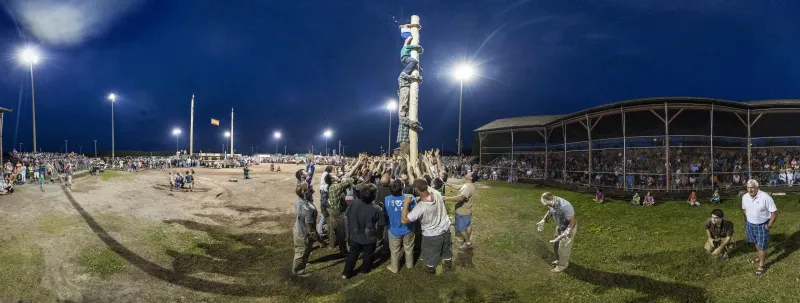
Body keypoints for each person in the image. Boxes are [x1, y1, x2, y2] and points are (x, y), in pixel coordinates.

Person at [401, 179, 452, 274]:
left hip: (432, 234)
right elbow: (424, 189)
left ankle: (430, 268)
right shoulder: (436, 192)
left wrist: (406, 203)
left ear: (416, 189)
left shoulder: (421, 207)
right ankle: (448, 262)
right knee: (446, 248)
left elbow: (404, 220)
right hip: (445, 228)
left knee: (430, 253)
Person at [342, 183, 386, 279]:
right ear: (374, 196)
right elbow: (381, 224)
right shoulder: (377, 209)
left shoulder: (353, 203)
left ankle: (346, 273)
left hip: (354, 235)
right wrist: (379, 236)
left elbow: (347, 216)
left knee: (352, 254)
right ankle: (364, 270)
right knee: (368, 255)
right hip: (369, 238)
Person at [742, 179, 777, 276]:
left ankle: (761, 265)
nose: (750, 190)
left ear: (757, 187)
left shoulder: (765, 197)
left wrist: (769, 225)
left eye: (752, 187)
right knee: (756, 242)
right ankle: (760, 256)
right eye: (748, 188)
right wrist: (746, 221)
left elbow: (774, 213)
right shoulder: (745, 197)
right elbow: (744, 209)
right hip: (750, 224)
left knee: (762, 245)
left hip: (762, 225)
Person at [537, 192, 577, 273]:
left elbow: (572, 221)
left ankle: (562, 265)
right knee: (556, 244)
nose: (547, 206)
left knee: (563, 247)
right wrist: (543, 220)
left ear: (552, 199)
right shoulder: (551, 203)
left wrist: (565, 234)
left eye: (548, 204)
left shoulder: (565, 206)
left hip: (569, 227)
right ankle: (558, 260)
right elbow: (550, 211)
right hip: (560, 225)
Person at [292, 183, 326, 276]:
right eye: (310, 189)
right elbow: (310, 230)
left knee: (300, 252)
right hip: (304, 235)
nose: (312, 190)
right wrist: (320, 241)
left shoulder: (298, 201)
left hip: (297, 230)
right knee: (301, 253)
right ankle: (297, 272)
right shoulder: (308, 209)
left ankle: (301, 264)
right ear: (306, 193)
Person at [384, 179, 416, 273]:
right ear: (403, 188)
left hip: (394, 229)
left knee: (394, 250)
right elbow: (416, 211)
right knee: (409, 248)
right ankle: (409, 264)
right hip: (409, 228)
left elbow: (386, 213)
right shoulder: (410, 197)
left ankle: (394, 268)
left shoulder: (387, 199)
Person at [444, 171, 476, 250]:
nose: (468, 172)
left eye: (470, 173)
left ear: (471, 177)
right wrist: (447, 183)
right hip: (466, 211)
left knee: (461, 229)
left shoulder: (468, 187)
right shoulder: (468, 185)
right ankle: (466, 239)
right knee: (468, 226)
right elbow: (457, 186)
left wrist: (446, 198)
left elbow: (460, 198)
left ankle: (468, 243)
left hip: (462, 212)